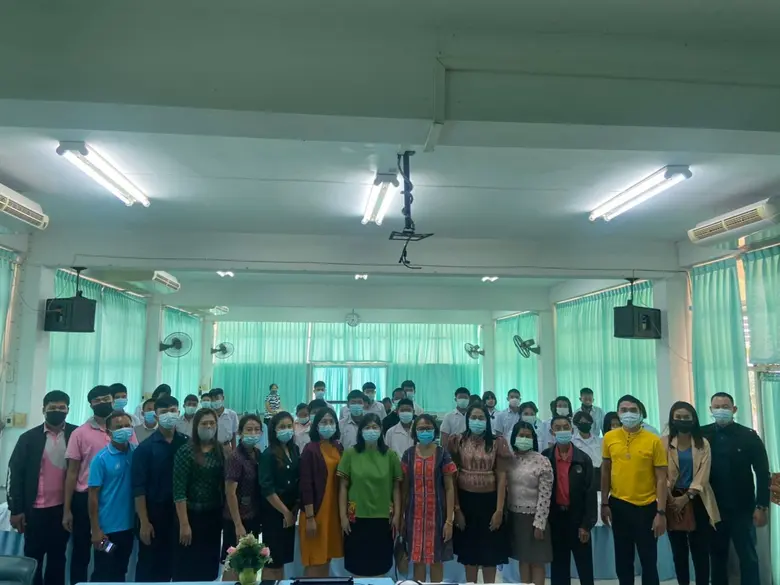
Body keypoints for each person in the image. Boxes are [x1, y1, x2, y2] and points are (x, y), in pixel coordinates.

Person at [701, 392, 769, 585]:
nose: (721, 410)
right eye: (717, 407)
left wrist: (761, 506)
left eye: (725, 407)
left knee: (748, 556)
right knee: (717, 557)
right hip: (713, 508)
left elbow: (762, 472)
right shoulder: (702, 435)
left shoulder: (748, 436)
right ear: (710, 410)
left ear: (734, 409)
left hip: (743, 509)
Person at [8, 391, 75, 585]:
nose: (57, 411)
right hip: (34, 511)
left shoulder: (76, 435)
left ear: (68, 410)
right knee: (33, 559)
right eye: (52, 407)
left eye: (61, 407)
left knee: (58, 558)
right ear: (43, 409)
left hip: (63, 510)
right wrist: (16, 510)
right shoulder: (28, 438)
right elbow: (14, 474)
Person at [601, 395, 668, 585]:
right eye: (624, 410)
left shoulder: (653, 440)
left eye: (633, 410)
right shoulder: (609, 438)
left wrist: (661, 512)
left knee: (649, 561)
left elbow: (661, 478)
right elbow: (605, 471)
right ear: (618, 413)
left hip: (646, 507)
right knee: (623, 561)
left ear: (641, 413)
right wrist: (604, 503)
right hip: (619, 505)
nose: (628, 414)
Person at [63, 385, 121, 585]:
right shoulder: (80, 433)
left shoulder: (123, 430)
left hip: (113, 501)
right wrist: (67, 510)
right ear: (90, 405)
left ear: (112, 400)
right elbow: (72, 473)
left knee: (108, 549)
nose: (102, 403)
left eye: (106, 398)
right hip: (85, 501)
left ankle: (101, 581)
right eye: (97, 400)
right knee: (81, 551)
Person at [448, 404, 511, 583]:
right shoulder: (458, 441)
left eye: (481, 418)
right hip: (466, 502)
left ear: (487, 420)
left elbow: (502, 476)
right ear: (467, 420)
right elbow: (452, 476)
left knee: (490, 554)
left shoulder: (497, 442)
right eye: (473, 417)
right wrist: (457, 509)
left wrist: (499, 510)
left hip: (490, 502)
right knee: (470, 554)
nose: (477, 421)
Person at [338, 413, 402, 577]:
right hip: (355, 518)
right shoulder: (350, 454)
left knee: (379, 567)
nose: (371, 431)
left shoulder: (390, 455)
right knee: (357, 566)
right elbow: (343, 487)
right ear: (361, 431)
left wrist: (397, 515)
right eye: (367, 427)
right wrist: (343, 516)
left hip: (383, 518)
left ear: (381, 430)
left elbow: (396, 488)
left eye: (375, 427)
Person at [664, 401, 720, 585]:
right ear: (672, 419)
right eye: (678, 417)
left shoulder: (703, 443)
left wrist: (687, 497)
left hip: (698, 498)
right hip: (671, 499)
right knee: (678, 551)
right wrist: (671, 497)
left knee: (700, 550)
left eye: (686, 417)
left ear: (693, 419)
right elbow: (660, 473)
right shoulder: (663, 442)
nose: (682, 420)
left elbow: (703, 475)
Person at [132, 395, 188, 582]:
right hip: (154, 515)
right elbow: (138, 488)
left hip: (181, 514)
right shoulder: (145, 448)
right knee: (151, 567)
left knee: (178, 565)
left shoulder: (187, 443)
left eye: (172, 411)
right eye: (164, 412)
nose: (169, 415)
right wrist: (144, 521)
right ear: (156, 416)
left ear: (178, 413)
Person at [401, 414, 456, 582]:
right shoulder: (408, 455)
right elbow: (404, 488)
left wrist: (449, 521)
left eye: (428, 428)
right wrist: (401, 516)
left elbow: (449, 488)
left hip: (438, 517)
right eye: (421, 428)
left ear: (434, 430)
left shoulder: (443, 454)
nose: (425, 432)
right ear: (415, 432)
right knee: (417, 561)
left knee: (436, 561)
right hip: (414, 516)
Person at [173, 408, 225, 581]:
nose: (208, 427)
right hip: (191, 516)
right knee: (187, 567)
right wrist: (184, 524)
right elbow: (179, 491)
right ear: (196, 426)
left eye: (212, 423)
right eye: (204, 423)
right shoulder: (185, 451)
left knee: (209, 567)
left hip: (213, 516)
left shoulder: (220, 450)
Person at [543, 416, 596, 585]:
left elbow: (590, 494)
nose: (562, 431)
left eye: (565, 427)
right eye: (558, 428)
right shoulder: (545, 458)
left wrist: (586, 525)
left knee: (585, 568)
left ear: (572, 430)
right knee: (559, 569)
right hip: (556, 519)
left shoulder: (584, 459)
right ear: (552, 432)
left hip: (578, 519)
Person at [88, 410, 137, 582]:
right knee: (103, 571)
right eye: (118, 427)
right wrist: (96, 530)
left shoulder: (136, 452)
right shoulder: (100, 459)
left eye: (127, 426)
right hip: (106, 532)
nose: (124, 429)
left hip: (129, 528)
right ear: (109, 433)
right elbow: (93, 496)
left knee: (120, 570)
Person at [299, 408, 344, 576]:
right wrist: (310, 518)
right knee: (315, 560)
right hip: (316, 513)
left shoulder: (338, 447)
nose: (328, 425)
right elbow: (306, 485)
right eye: (324, 422)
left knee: (326, 557)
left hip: (333, 512)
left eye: (331, 422)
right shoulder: (310, 449)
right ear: (316, 426)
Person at [259, 411, 300, 580]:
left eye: (289, 426)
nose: (287, 430)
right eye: (282, 427)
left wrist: (294, 509)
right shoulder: (268, 454)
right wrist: (285, 512)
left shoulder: (294, 450)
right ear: (274, 430)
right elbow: (267, 489)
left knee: (282, 560)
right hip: (274, 513)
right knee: (272, 561)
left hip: (290, 511)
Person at [223, 415, 264, 581]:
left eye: (256, 430)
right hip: (236, 519)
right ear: (240, 432)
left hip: (253, 516)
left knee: (249, 565)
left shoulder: (258, 454)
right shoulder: (235, 457)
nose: (253, 433)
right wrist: (238, 525)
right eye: (249, 429)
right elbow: (230, 492)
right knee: (233, 564)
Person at [572, 411, 602, 484]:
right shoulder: (572, 442)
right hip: (582, 474)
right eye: (582, 422)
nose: (586, 424)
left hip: (599, 473)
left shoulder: (599, 440)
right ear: (577, 424)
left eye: (588, 422)